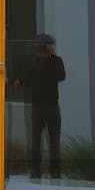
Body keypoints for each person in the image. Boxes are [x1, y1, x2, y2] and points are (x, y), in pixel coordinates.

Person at [15, 34, 66, 179]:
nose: (54, 46)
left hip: (48, 106)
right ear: (45, 46)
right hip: (43, 107)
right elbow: (21, 79)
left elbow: (61, 76)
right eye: (51, 44)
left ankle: (50, 171)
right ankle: (41, 171)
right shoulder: (34, 62)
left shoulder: (54, 61)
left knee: (49, 140)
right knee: (41, 140)